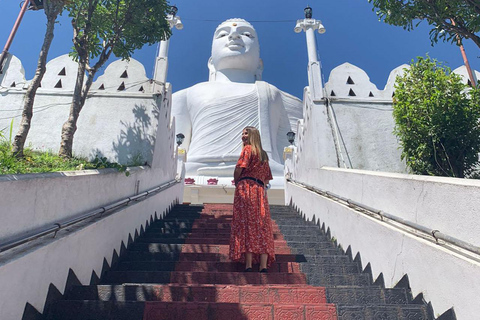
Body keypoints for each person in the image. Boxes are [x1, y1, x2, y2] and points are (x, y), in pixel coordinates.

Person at [171, 18, 302, 186]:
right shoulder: (186, 95)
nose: (234, 36)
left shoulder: (272, 93)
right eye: (223, 34)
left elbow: (296, 148)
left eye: (246, 34)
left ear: (259, 65)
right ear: (211, 63)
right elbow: (175, 148)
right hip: (196, 172)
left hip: (267, 175)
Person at [229, 126, 275, 272]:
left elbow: (238, 169)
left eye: (246, 133)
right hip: (260, 190)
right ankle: (263, 265)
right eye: (242, 133)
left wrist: (237, 181)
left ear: (253, 136)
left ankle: (248, 264)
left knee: (246, 224)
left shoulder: (247, 150)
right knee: (262, 225)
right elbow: (267, 178)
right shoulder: (264, 155)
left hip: (246, 187)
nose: (243, 136)